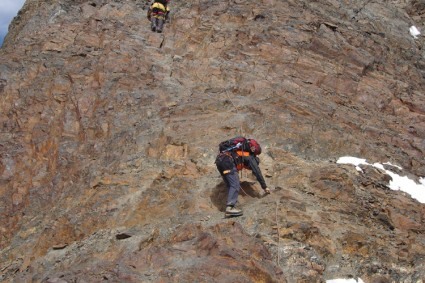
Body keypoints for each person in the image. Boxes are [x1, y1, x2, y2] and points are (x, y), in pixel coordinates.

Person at [215, 137, 270, 217]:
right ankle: (230, 208)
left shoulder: (240, 151)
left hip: (220, 161)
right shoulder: (250, 158)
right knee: (235, 185)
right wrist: (265, 187)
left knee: (230, 185)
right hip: (227, 161)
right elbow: (257, 172)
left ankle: (229, 208)